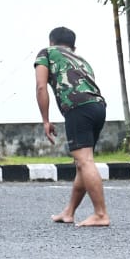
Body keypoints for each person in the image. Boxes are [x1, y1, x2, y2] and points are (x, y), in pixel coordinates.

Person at [34, 26, 110, 227]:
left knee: (85, 161)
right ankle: (69, 212)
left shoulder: (47, 53)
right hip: (98, 106)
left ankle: (101, 214)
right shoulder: (81, 60)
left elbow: (41, 86)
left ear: (51, 42)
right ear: (73, 46)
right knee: (82, 164)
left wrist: (45, 120)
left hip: (79, 107)